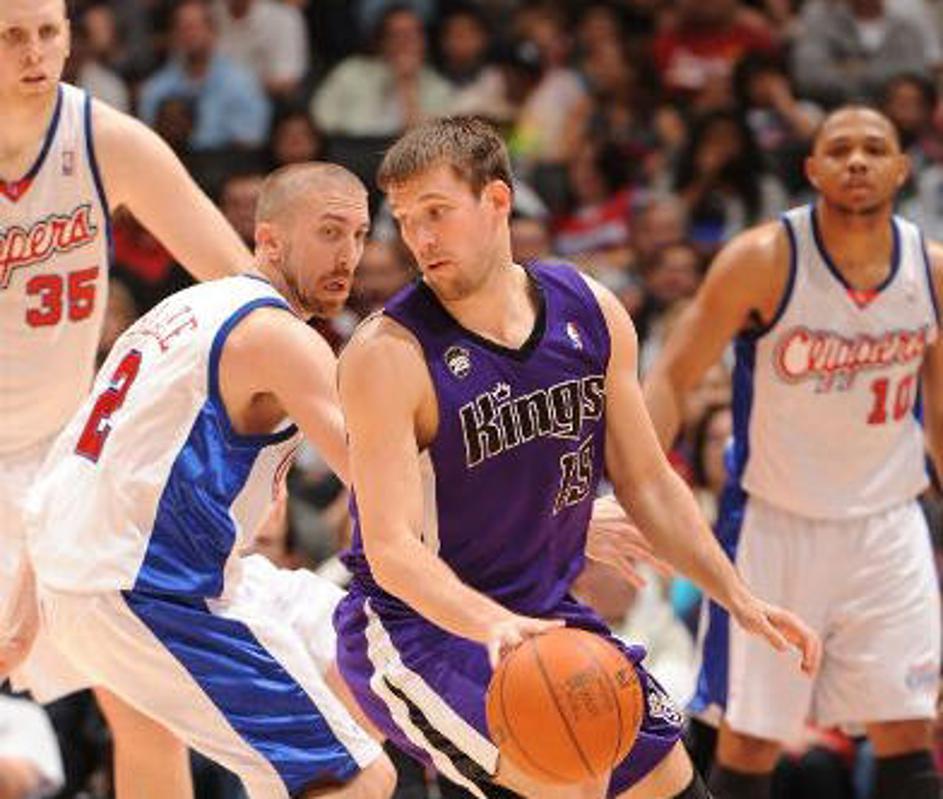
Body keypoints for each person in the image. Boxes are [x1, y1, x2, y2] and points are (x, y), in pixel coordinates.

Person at [334, 116, 820, 799]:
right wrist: (491, 624)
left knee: (673, 782)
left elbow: (646, 478)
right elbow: (388, 548)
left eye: (436, 212)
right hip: (421, 632)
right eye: (406, 219)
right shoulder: (387, 355)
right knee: (570, 780)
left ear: (496, 201)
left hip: (544, 614)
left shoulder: (586, 308)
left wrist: (735, 594)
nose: (419, 237)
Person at [25, 163, 397, 799]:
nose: (349, 255)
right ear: (270, 240)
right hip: (149, 588)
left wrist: (23, 594)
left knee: (359, 653)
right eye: (330, 232)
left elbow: (70, 458)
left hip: (87, 574)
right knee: (359, 778)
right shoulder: (280, 336)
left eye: (360, 235)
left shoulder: (179, 309)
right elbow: (383, 482)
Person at [643, 105, 942, 799]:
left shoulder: (929, 273)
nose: (857, 160)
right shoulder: (761, 259)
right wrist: (633, 484)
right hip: (774, 521)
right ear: (811, 169)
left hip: (888, 522)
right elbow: (672, 376)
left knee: (906, 724)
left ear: (901, 168)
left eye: (875, 148)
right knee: (750, 737)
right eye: (839, 149)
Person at [0, 0, 258, 794]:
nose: (35, 52)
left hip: (64, 459)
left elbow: (242, 286)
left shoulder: (104, 139)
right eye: (11, 35)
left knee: (138, 701)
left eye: (49, 32)